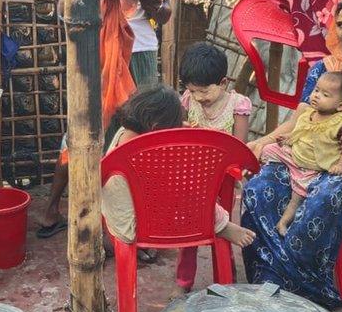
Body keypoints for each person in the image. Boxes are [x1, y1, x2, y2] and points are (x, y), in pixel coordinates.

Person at [38, 0, 172, 238]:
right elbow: (65, 7)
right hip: (95, 51)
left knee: (141, 136)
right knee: (80, 132)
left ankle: (135, 224)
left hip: (140, 52)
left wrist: (148, 2)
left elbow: (165, 13)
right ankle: (52, 208)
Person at [240, 0, 342, 308]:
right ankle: (267, 279)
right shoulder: (325, 69)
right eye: (341, 24)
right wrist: (264, 141)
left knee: (324, 198)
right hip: (303, 154)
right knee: (257, 190)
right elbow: (300, 117)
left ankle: (306, 290)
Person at [100, 85, 254, 279]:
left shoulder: (125, 135)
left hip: (119, 215)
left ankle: (219, 223)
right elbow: (169, 190)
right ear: (157, 127)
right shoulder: (145, 154)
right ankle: (222, 224)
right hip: (138, 225)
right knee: (191, 192)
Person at [174, 42, 254, 295]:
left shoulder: (237, 105)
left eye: (204, 92)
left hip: (223, 179)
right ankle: (183, 282)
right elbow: (178, 134)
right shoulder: (188, 100)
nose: (198, 98)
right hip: (191, 177)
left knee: (221, 229)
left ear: (223, 82)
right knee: (190, 233)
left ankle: (225, 275)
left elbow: (238, 147)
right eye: (192, 91)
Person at [249, 72, 342, 236]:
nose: (316, 96)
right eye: (316, 90)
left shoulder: (341, 123)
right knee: (265, 150)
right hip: (293, 154)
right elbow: (298, 131)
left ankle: (283, 223)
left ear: (341, 106)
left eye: (325, 95)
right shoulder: (308, 113)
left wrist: (341, 164)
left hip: (312, 166)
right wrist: (287, 138)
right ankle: (248, 170)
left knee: (298, 196)